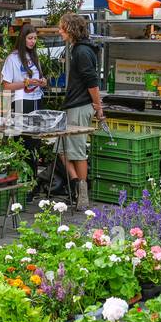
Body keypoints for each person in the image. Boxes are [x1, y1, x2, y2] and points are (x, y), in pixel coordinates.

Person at [58, 12, 105, 210]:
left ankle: (82, 194)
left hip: (79, 105)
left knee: (77, 151)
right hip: (73, 105)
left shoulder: (82, 52)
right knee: (61, 149)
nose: (59, 31)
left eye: (62, 28)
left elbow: (92, 82)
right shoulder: (78, 48)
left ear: (71, 29)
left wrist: (98, 108)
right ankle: (77, 185)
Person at [0, 22, 46, 193]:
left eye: (35, 38)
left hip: (36, 101)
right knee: (22, 144)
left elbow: (40, 77)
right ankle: (21, 185)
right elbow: (7, 86)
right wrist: (26, 82)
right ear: (23, 38)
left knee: (35, 144)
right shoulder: (13, 58)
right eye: (30, 38)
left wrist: (42, 81)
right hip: (20, 103)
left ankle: (32, 185)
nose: (33, 42)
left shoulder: (35, 57)